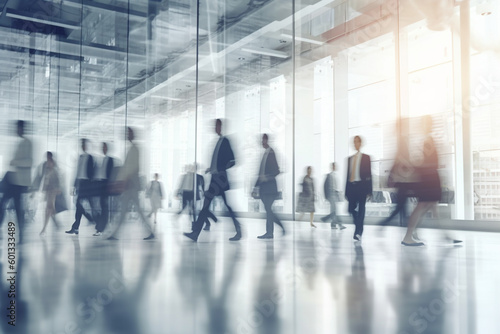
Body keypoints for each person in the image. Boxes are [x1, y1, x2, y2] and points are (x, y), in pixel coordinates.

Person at [401, 116, 461, 246]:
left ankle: (441, 235)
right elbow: (425, 161)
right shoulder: (426, 140)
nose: (431, 125)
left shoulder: (427, 139)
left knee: (431, 208)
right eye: (428, 123)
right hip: (428, 179)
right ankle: (408, 236)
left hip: (430, 178)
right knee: (422, 207)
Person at [183, 119, 241, 242]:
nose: (215, 128)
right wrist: (212, 168)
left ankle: (238, 230)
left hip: (220, 179)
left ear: (221, 127)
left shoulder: (225, 141)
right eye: (215, 126)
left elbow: (233, 161)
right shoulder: (218, 142)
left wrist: (220, 169)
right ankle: (196, 233)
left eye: (217, 126)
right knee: (207, 206)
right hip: (215, 179)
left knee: (218, 206)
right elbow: (220, 161)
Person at [107, 127, 155, 240]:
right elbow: (128, 168)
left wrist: (123, 181)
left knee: (127, 210)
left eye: (128, 133)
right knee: (127, 210)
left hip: (130, 184)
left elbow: (132, 167)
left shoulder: (134, 149)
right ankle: (149, 231)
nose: (127, 135)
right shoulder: (132, 149)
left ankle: (114, 233)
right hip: (129, 184)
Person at [0, 120, 33, 242]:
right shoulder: (20, 143)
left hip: (18, 182)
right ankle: (21, 234)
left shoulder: (27, 143)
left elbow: (29, 162)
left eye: (18, 128)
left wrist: (14, 162)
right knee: (4, 204)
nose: (16, 130)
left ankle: (21, 234)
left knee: (17, 208)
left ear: (22, 128)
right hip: (13, 180)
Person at [255, 134, 285, 239]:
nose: (261, 142)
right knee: (268, 210)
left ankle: (270, 232)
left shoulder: (271, 152)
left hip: (270, 187)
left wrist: (267, 178)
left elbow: (276, 170)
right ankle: (275, 229)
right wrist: (255, 186)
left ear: (266, 140)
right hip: (264, 188)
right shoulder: (265, 153)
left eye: (262, 140)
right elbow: (260, 172)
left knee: (268, 209)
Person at [66, 138, 96, 235]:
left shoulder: (90, 158)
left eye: (84, 144)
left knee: (89, 206)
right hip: (81, 184)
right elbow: (77, 172)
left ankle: (93, 221)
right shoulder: (80, 157)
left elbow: (92, 173)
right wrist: (74, 185)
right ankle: (81, 224)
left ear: (86, 146)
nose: (83, 146)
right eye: (82, 144)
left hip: (87, 184)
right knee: (79, 205)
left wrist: (91, 185)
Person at [345, 136, 372, 242]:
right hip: (351, 186)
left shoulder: (366, 158)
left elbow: (369, 175)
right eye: (354, 142)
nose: (355, 144)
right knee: (351, 209)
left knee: (361, 209)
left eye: (357, 142)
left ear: (361, 143)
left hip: (362, 186)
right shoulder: (349, 159)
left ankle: (358, 231)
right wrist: (346, 191)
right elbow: (347, 176)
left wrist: (369, 191)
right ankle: (359, 226)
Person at [93, 142, 114, 236]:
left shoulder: (110, 160)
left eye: (105, 147)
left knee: (104, 206)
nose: (103, 149)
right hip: (100, 184)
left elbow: (111, 174)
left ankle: (101, 228)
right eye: (103, 147)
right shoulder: (100, 160)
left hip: (106, 184)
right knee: (101, 206)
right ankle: (101, 226)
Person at [39, 152, 62, 236]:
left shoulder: (55, 168)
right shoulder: (45, 166)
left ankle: (44, 229)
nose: (48, 159)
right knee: (51, 209)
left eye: (49, 157)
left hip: (53, 190)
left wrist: (58, 188)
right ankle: (57, 223)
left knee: (48, 208)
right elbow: (43, 178)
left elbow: (58, 178)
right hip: (48, 190)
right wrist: (42, 188)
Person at [321, 162, 345, 229]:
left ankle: (330, 222)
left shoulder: (336, 176)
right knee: (334, 210)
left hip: (335, 195)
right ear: (332, 167)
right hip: (331, 195)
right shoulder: (328, 175)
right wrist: (326, 197)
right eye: (334, 166)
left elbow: (337, 187)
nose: (335, 167)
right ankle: (340, 225)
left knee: (334, 211)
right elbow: (325, 186)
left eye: (335, 166)